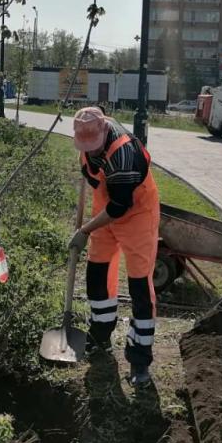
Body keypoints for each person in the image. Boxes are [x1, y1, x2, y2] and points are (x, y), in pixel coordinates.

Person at [68, 107, 160, 387]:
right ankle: (100, 335)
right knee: (97, 274)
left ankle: (139, 360)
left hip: (135, 213)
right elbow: (95, 178)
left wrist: (85, 230)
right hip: (104, 209)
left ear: (105, 131)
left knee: (139, 286)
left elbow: (120, 207)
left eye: (94, 147)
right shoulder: (88, 135)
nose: (91, 152)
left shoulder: (124, 154)